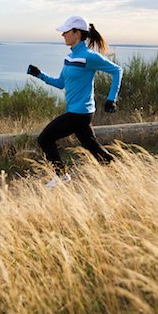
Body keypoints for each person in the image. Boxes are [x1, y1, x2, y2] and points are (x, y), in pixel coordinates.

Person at [27, 14, 123, 188]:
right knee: (93, 147)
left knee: (45, 139)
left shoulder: (89, 57)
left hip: (80, 113)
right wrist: (39, 75)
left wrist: (111, 99)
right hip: (78, 112)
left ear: (77, 33)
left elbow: (117, 71)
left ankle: (62, 175)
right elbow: (61, 83)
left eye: (66, 32)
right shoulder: (70, 58)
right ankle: (118, 173)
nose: (62, 35)